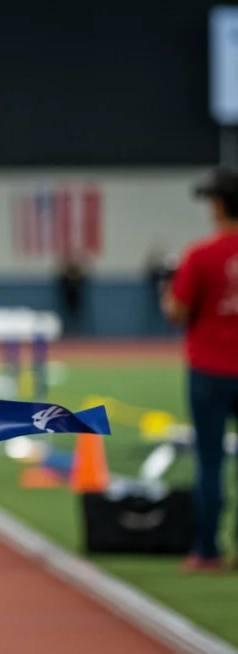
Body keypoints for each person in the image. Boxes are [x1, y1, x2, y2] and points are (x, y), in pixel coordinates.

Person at [163, 165, 238, 574]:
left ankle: (207, 550)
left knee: (210, 463)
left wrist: (165, 288)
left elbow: (176, 311)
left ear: (219, 204)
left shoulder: (201, 254)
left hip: (210, 369)